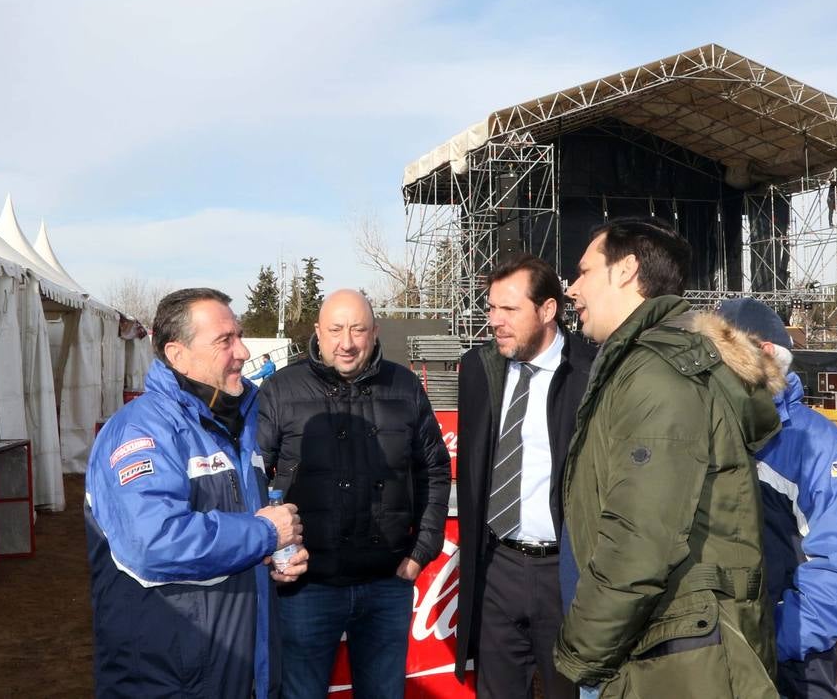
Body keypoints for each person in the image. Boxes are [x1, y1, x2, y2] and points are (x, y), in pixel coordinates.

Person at [554, 218, 782, 698]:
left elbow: (639, 538)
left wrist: (582, 653)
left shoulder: (657, 374)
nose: (573, 289)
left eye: (584, 271)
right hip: (662, 643)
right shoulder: (641, 363)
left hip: (668, 655)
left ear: (626, 270)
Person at [86, 287, 310, 699]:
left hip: (242, 670)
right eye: (225, 340)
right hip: (170, 680)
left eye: (239, 336)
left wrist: (272, 560)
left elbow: (239, 531)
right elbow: (151, 543)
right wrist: (263, 535)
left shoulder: (238, 425)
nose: (242, 351)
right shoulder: (141, 431)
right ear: (176, 354)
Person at [256, 289, 452, 699]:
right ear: (317, 332)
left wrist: (422, 551)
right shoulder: (280, 389)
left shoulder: (406, 387)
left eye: (358, 329)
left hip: (387, 584)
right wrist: (270, 551)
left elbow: (434, 469)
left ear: (375, 332)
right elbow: (255, 476)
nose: (347, 342)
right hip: (307, 588)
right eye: (336, 330)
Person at [717, 298, 837, 699]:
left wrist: (770, 637)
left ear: (767, 354)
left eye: (722, 354)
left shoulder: (822, 447)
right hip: (710, 652)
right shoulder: (705, 432)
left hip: (789, 662)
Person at [454, 255, 595, 699]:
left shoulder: (593, 372)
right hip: (497, 567)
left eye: (509, 310)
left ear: (548, 310)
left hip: (565, 573)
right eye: (491, 308)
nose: (495, 321)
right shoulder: (479, 369)